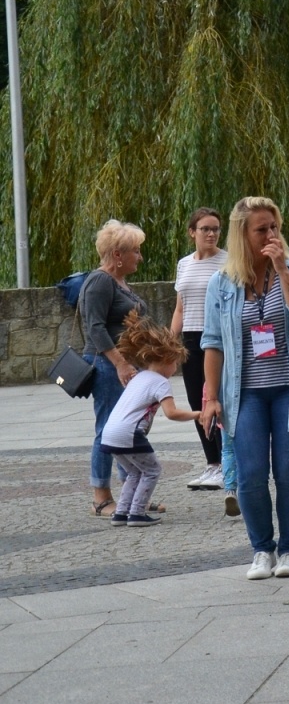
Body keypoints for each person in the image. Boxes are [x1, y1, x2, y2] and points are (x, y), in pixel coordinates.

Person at [201, 196, 289, 581]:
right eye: (261, 229)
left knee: (288, 470)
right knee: (251, 474)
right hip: (245, 393)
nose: (271, 235)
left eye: (275, 227)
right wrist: (211, 397)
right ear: (243, 234)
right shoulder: (222, 282)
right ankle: (261, 550)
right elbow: (212, 342)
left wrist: (281, 269)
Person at [81, 219, 153, 519]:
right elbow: (94, 328)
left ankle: (130, 495)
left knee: (126, 428)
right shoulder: (100, 281)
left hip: (126, 364)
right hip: (108, 365)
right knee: (108, 430)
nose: (140, 256)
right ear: (118, 254)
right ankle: (101, 496)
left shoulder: (120, 282)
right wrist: (121, 364)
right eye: (135, 251)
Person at [102, 315, 198, 526]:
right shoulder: (160, 383)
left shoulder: (138, 377)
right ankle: (136, 513)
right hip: (129, 433)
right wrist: (197, 414)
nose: (175, 370)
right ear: (167, 360)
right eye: (176, 364)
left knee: (134, 472)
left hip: (109, 434)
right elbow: (172, 413)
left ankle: (121, 513)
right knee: (152, 470)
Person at [172, 207, 227, 492]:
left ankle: (227, 462)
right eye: (205, 228)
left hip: (217, 338)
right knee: (197, 402)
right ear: (192, 232)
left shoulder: (228, 261)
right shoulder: (184, 264)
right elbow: (181, 306)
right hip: (191, 338)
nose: (211, 233)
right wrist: (171, 341)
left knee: (216, 399)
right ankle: (212, 463)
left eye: (216, 228)